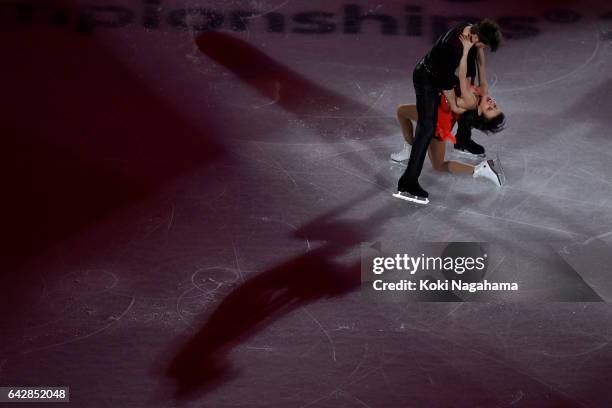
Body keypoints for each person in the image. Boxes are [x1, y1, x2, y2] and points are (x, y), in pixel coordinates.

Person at [394, 19, 503, 204]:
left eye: (490, 108)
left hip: (443, 109)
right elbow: (477, 69)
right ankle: (411, 152)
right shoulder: (453, 49)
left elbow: (460, 78)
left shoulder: (471, 98)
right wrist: (476, 52)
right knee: (405, 113)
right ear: (475, 35)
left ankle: (477, 169)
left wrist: (471, 49)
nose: (492, 103)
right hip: (429, 80)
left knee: (432, 144)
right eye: (495, 105)